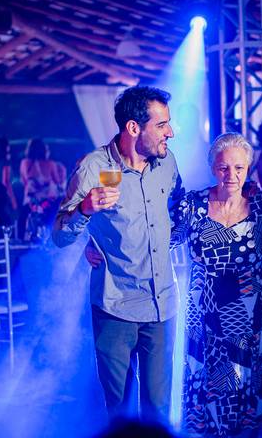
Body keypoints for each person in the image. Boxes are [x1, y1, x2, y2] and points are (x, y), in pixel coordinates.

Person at [52, 86, 183, 424]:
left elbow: (179, 208)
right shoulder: (93, 167)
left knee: (159, 412)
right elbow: (60, 236)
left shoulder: (167, 162)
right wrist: (85, 210)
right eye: (162, 124)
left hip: (162, 305)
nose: (170, 132)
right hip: (115, 307)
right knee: (119, 413)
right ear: (133, 127)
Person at [170, 133, 262, 437]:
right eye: (224, 167)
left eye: (239, 168)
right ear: (213, 168)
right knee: (205, 385)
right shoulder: (194, 205)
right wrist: (99, 242)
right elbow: (159, 239)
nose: (232, 175)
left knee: (245, 385)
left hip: (248, 311)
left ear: (248, 168)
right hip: (205, 309)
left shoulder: (261, 206)